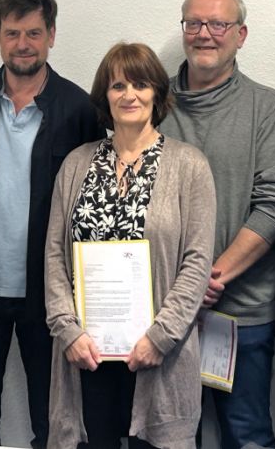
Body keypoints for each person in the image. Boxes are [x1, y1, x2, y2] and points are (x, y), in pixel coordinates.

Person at [0, 0, 103, 447]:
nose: (23, 44)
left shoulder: (79, 109)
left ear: (51, 35)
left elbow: (94, 207)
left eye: (33, 32)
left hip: (51, 299)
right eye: (12, 33)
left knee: (55, 425)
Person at [46, 42, 216, 449]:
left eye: (140, 84)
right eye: (117, 85)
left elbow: (196, 262)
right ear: (105, 96)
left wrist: (161, 338)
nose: (129, 95)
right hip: (86, 355)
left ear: (157, 92)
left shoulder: (189, 166)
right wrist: (66, 331)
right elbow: (54, 254)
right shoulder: (76, 164)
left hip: (158, 356)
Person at [160, 0, 275, 449]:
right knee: (171, 437)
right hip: (163, 311)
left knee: (248, 435)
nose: (205, 34)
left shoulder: (268, 107)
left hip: (242, 313)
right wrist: (183, 290)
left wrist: (207, 278)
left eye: (218, 24)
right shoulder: (150, 103)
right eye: (194, 23)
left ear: (241, 34)